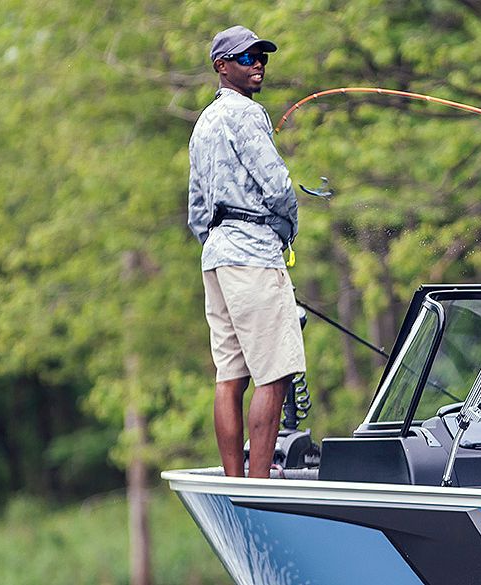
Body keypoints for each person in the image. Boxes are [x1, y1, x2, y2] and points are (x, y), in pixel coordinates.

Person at [186, 25, 303, 479]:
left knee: (229, 376)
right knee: (274, 373)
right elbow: (276, 186)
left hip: (215, 259)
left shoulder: (202, 124)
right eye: (246, 58)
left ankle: (236, 484)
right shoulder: (247, 115)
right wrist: (287, 228)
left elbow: (197, 209)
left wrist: (218, 241)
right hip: (253, 254)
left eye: (261, 57)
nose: (257, 65)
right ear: (221, 67)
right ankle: (259, 487)